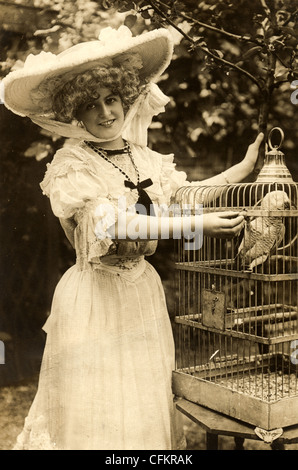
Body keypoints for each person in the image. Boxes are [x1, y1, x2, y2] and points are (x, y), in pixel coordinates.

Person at [3, 25, 263, 450]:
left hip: (142, 291)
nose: (105, 112)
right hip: (93, 297)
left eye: (111, 99)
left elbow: (186, 197)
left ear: (125, 99)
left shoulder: (145, 157)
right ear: (75, 114)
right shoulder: (71, 164)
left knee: (142, 398)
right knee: (94, 405)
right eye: (91, 104)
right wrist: (199, 225)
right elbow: (117, 224)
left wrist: (242, 169)